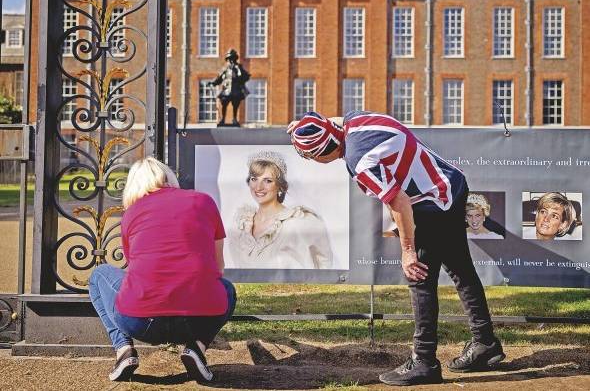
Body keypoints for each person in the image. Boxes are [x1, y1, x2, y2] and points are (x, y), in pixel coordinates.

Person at [288, 111, 505, 386]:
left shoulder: (360, 161)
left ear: (320, 154)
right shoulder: (356, 120)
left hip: (433, 203)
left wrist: (408, 250)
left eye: (310, 157)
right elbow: (333, 123)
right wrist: (307, 127)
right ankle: (485, 343)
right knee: (461, 270)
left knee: (419, 278)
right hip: (452, 186)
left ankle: (425, 361)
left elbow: (400, 203)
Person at [88, 157, 236, 382]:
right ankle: (196, 348)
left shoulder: (131, 213)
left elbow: (133, 267)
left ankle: (123, 350)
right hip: (197, 320)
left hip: (139, 322)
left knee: (99, 275)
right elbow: (219, 267)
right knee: (227, 290)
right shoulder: (204, 201)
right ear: (169, 177)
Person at [228, 151, 334, 269]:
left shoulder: (301, 222)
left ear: (280, 186)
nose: (258, 187)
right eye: (254, 179)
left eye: (268, 181)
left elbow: (324, 265)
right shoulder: (241, 223)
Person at [208, 48, 250, 127]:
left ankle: (234, 119)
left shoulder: (239, 68)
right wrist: (213, 83)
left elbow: (245, 77)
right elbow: (219, 79)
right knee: (224, 104)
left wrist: (238, 69)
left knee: (235, 105)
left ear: (235, 59)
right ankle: (223, 119)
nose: (231, 61)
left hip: (236, 90)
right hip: (226, 90)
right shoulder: (225, 69)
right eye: (229, 59)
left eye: (232, 59)